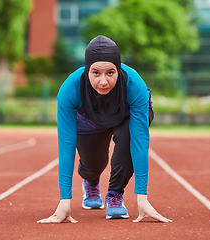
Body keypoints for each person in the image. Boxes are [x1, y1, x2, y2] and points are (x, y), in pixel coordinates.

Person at [38, 35, 172, 223]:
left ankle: (115, 195)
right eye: (96, 73)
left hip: (124, 117)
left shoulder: (135, 85)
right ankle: (91, 181)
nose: (103, 81)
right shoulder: (70, 89)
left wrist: (142, 197)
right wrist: (64, 201)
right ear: (86, 70)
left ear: (118, 69)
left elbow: (140, 141)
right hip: (88, 121)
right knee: (93, 164)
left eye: (110, 72)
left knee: (129, 138)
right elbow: (66, 145)